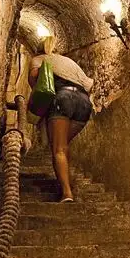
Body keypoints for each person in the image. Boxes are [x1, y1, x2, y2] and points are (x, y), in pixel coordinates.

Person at [28, 35, 93, 203]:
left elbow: (36, 84)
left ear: (39, 49)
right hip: (84, 103)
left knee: (59, 149)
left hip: (62, 99)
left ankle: (67, 193)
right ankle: (69, 183)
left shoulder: (38, 59)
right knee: (63, 145)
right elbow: (89, 84)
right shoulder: (68, 61)